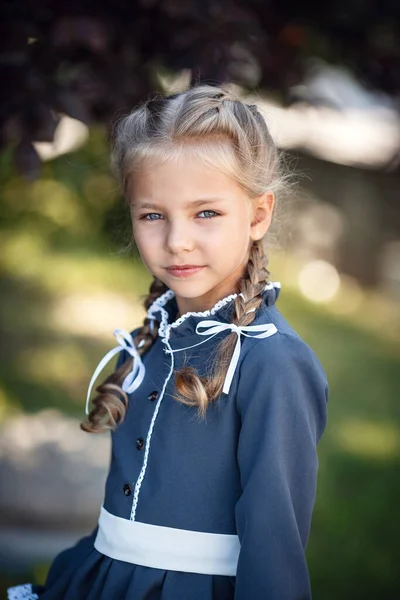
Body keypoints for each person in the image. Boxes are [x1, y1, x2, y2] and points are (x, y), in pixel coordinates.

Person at [8, 84, 329, 600]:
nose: (176, 239)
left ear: (258, 215)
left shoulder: (273, 362)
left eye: (206, 213)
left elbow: (275, 551)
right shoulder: (151, 340)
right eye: (152, 215)